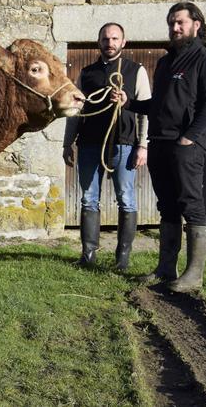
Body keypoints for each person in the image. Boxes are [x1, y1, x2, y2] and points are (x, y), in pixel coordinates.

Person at [113, 2, 206, 292]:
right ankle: (165, 268)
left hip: (186, 145)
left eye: (180, 22)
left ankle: (194, 276)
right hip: (159, 143)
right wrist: (129, 103)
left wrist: (190, 137)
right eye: (171, 23)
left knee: (191, 204)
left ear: (196, 25)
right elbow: (158, 104)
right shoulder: (165, 62)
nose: (175, 28)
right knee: (167, 206)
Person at [63, 23, 151, 270]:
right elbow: (75, 111)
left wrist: (143, 145)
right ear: (98, 42)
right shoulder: (86, 73)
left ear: (123, 42)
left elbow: (146, 111)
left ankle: (122, 259)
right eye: (105, 39)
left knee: (126, 199)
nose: (109, 43)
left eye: (114, 39)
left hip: (124, 144)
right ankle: (88, 256)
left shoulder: (136, 70)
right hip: (89, 144)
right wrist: (68, 143)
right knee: (88, 199)